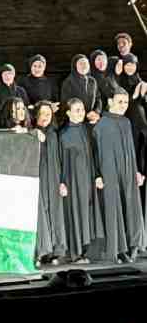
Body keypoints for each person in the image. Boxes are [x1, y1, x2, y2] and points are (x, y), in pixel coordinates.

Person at [92, 89, 145, 263]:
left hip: (128, 172)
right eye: (120, 101)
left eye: (126, 102)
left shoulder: (126, 122)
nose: (123, 105)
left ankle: (133, 245)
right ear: (110, 101)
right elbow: (94, 152)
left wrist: (136, 170)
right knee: (114, 207)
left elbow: (132, 150)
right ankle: (118, 248)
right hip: (110, 173)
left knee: (130, 205)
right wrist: (97, 175)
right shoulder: (101, 125)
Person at [59, 98, 101, 264]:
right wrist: (62, 182)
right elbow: (61, 160)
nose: (81, 113)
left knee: (87, 213)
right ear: (68, 113)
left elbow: (94, 155)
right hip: (73, 180)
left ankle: (86, 250)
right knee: (75, 213)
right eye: (77, 110)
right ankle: (76, 253)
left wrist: (97, 175)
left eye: (82, 109)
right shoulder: (63, 134)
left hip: (88, 178)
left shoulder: (88, 130)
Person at [34, 101, 66, 266]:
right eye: (42, 114)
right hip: (38, 177)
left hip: (53, 178)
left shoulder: (54, 134)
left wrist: (62, 181)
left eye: (48, 114)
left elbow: (61, 159)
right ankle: (40, 251)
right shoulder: (32, 134)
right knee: (40, 212)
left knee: (55, 213)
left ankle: (55, 251)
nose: (45, 117)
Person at [60, 54, 102, 124]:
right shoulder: (68, 82)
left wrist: (96, 112)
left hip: (91, 119)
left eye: (86, 63)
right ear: (75, 66)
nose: (84, 65)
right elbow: (65, 104)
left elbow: (98, 98)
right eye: (81, 63)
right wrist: (79, 115)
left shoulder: (92, 81)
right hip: (75, 121)